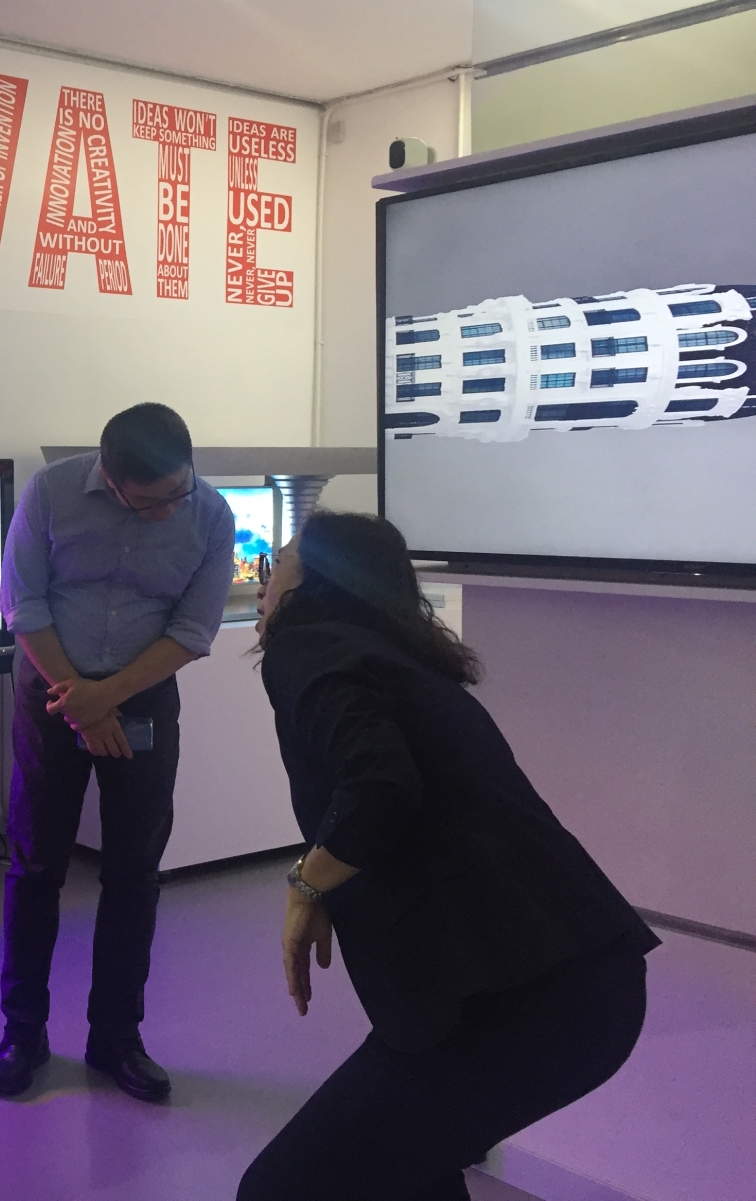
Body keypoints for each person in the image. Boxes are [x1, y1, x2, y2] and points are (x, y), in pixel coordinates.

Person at [240, 512, 659, 1200]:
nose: (265, 581)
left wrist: (305, 885)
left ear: (318, 582)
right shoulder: (391, 656)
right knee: (414, 1174)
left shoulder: (306, 644)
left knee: (281, 1190)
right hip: (579, 987)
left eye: (279, 562)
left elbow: (378, 788)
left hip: (516, 1006)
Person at [0, 404, 236, 1101]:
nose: (169, 510)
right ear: (111, 477)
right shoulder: (50, 492)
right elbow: (24, 604)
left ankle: (117, 1038)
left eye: (179, 492)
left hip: (143, 699)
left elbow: (194, 628)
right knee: (36, 865)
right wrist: (78, 698)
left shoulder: (211, 514)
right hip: (49, 697)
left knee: (134, 874)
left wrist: (106, 699)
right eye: (149, 502)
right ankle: (22, 1032)